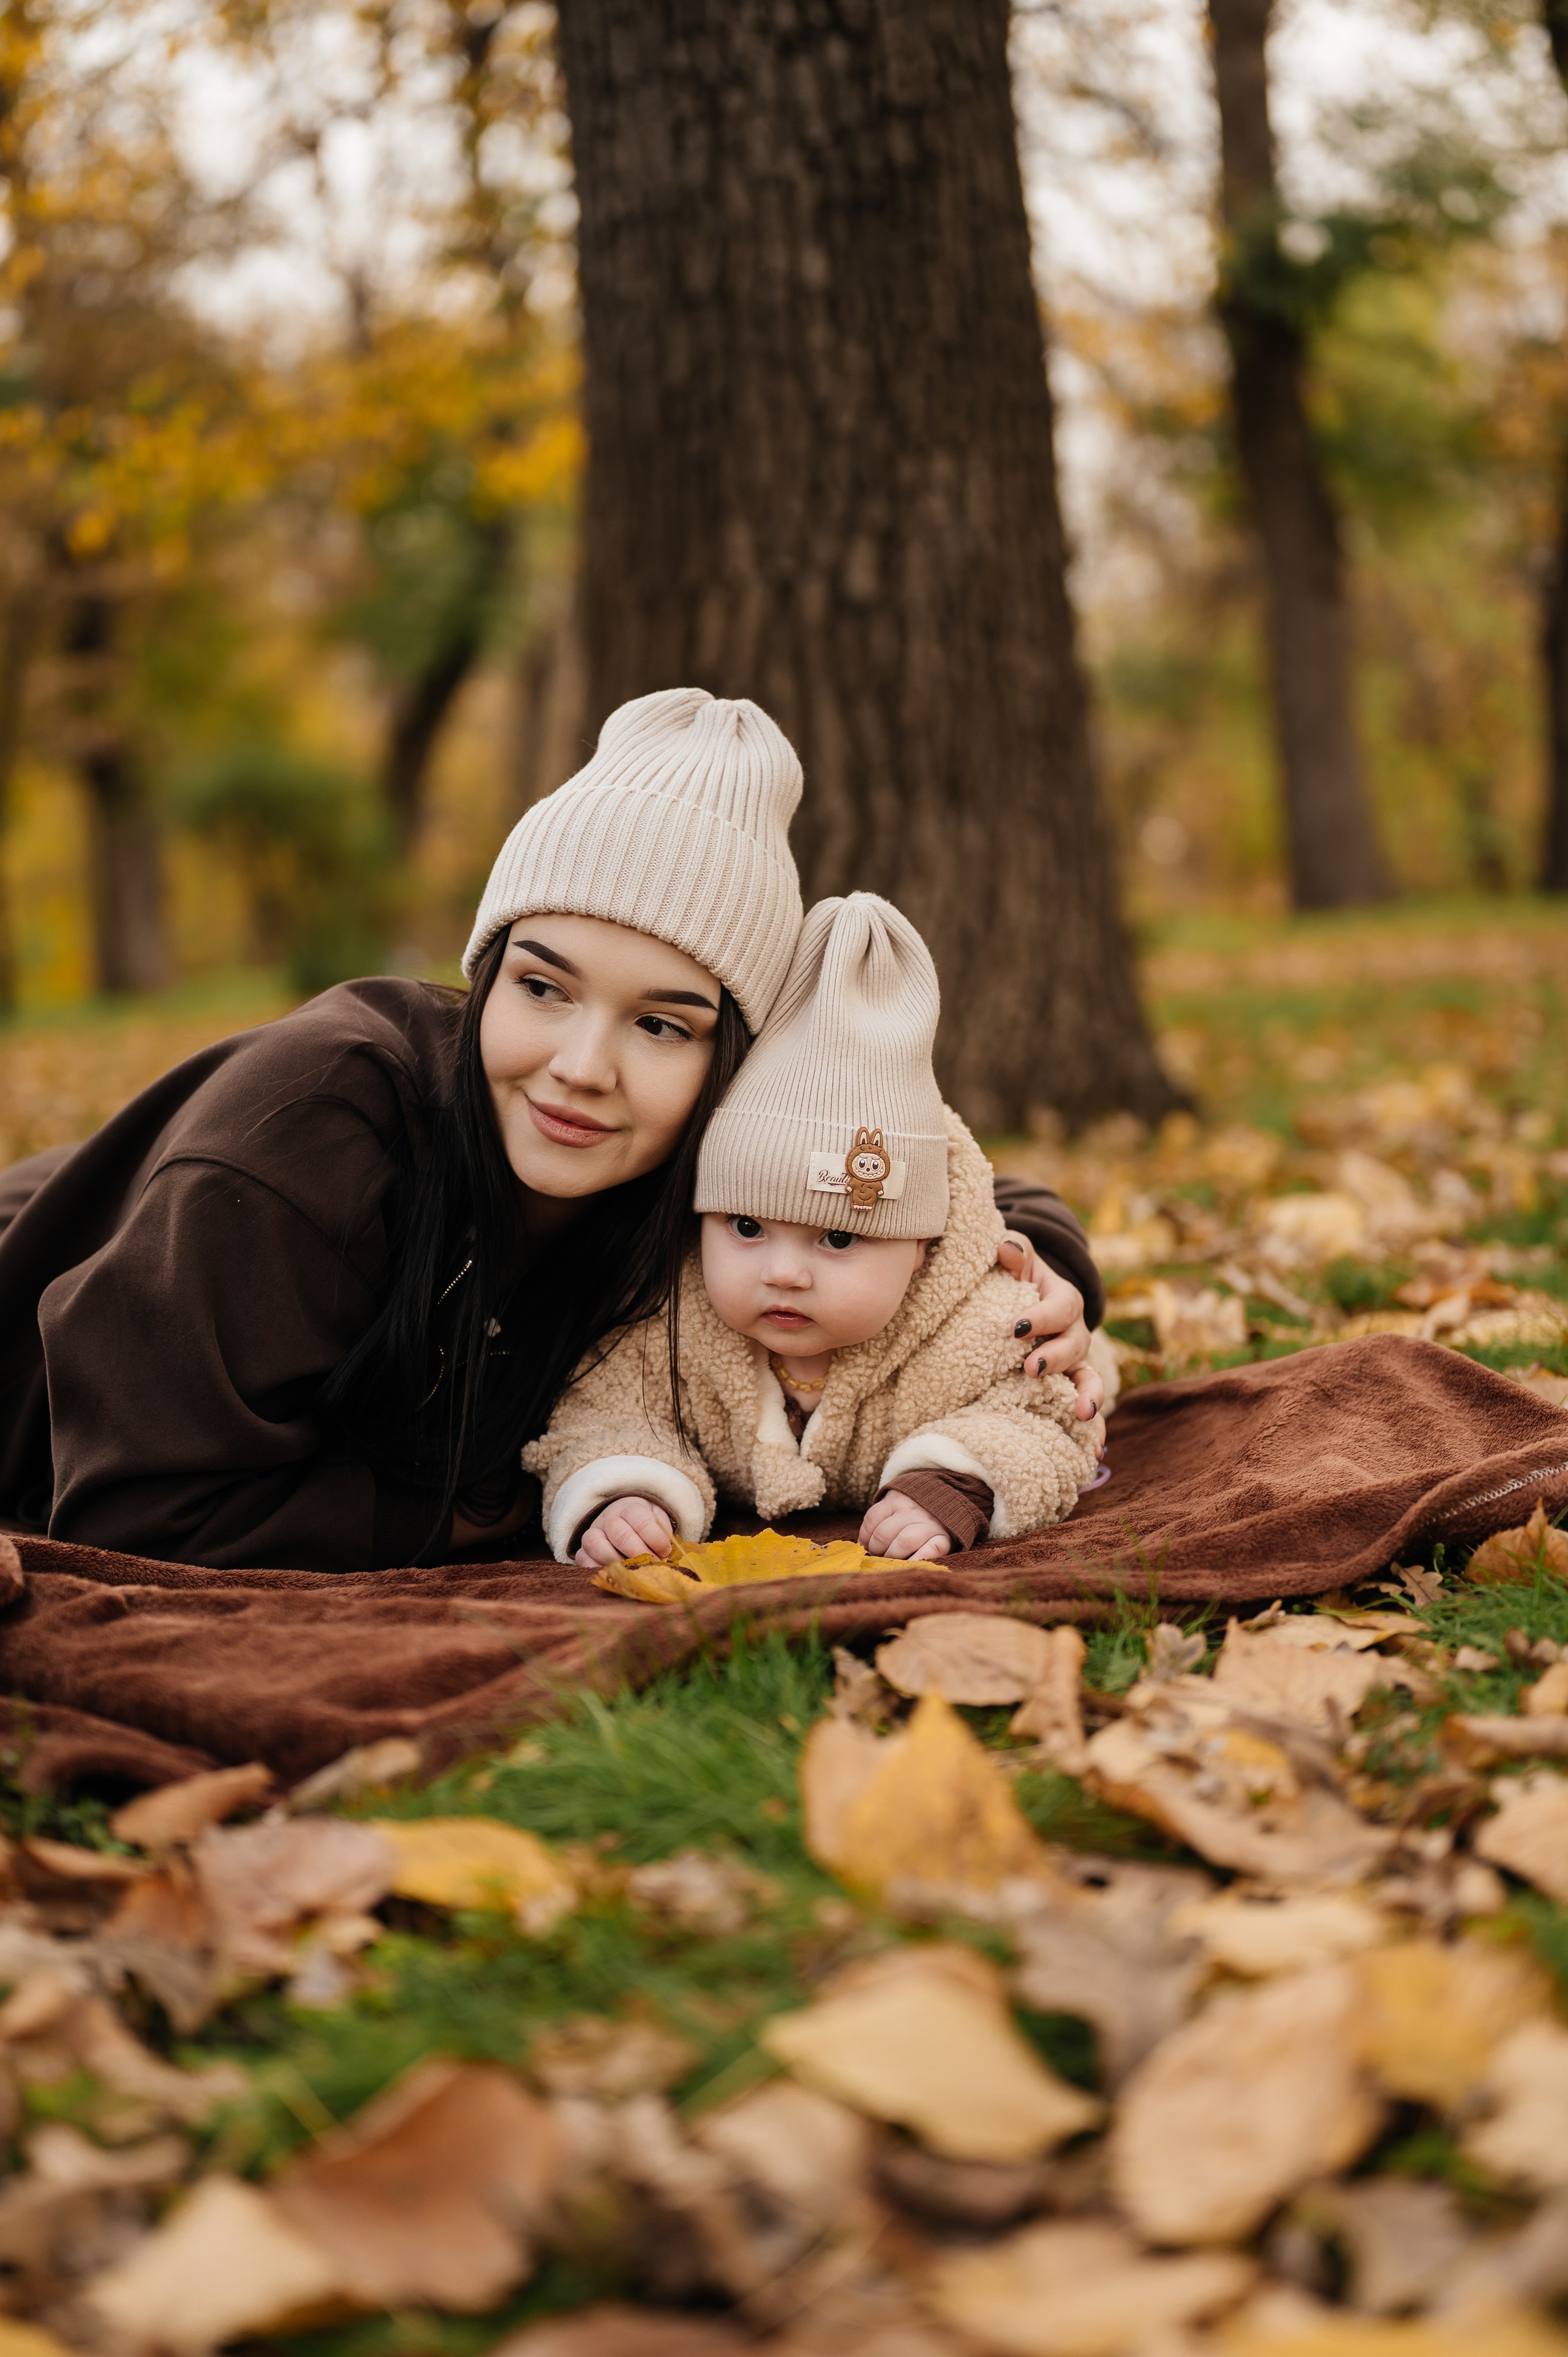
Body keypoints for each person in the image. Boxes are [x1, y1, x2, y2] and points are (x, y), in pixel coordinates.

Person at [0, 691, 1105, 1573]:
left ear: (733, 1076)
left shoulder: (708, 1163)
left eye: (664, 1023)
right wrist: (501, 1501)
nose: (581, 1068)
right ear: (487, 976)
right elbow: (138, 1508)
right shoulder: (312, 1128)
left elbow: (927, 1183)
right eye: (544, 987)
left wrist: (1040, 1258)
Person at [527, 895, 1104, 1571]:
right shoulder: (670, 1322)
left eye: (837, 1239)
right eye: (746, 1226)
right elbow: (604, 1407)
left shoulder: (978, 1327)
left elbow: (1050, 1417)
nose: (784, 1272)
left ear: (922, 1247)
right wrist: (625, 1488)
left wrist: (955, 1479)